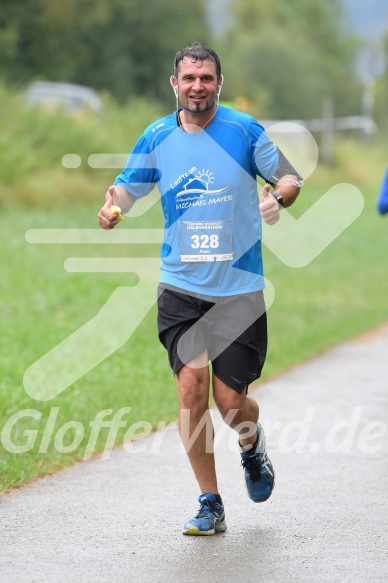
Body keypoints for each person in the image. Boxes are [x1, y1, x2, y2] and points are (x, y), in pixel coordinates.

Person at [98, 42, 303, 536]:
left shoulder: (243, 130)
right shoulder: (157, 134)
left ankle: (252, 446)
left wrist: (278, 195)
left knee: (231, 404)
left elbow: (291, 178)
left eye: (206, 78)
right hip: (181, 286)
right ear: (175, 83)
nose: (196, 87)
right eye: (188, 78)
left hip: (238, 290)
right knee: (191, 391)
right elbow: (129, 185)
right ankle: (209, 501)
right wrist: (113, 208)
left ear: (218, 83)